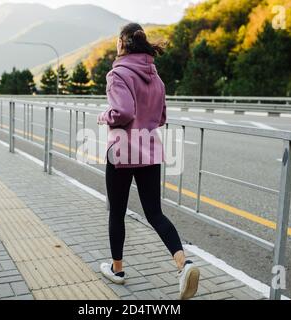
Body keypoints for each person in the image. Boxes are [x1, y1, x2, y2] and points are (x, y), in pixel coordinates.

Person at [97, 23, 200, 300]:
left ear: (122, 43)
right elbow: (162, 118)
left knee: (117, 212)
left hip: (122, 151)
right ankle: (183, 264)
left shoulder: (117, 74)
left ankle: (117, 270)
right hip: (150, 152)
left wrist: (104, 116)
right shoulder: (156, 77)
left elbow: (123, 111)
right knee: (155, 213)